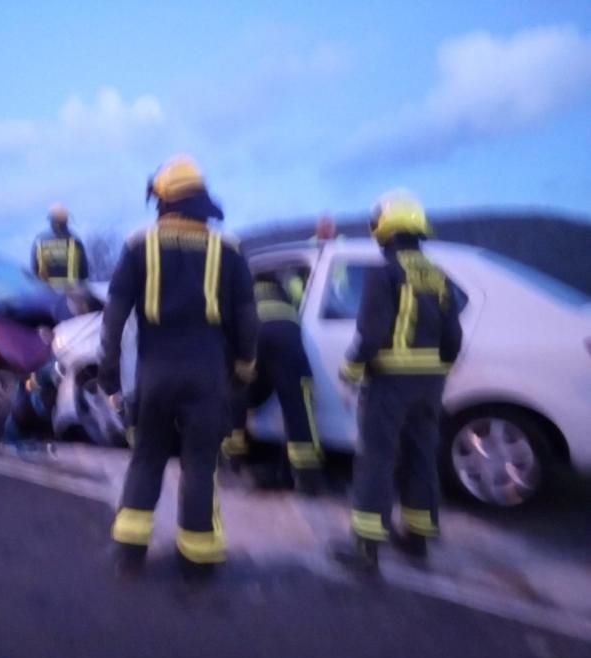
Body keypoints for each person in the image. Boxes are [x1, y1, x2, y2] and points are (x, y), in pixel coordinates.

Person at [98, 155, 258, 581]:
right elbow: (247, 319)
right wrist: (243, 368)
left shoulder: (139, 246)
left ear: (165, 200)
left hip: (155, 374)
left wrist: (108, 374)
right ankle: (197, 564)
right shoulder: (229, 250)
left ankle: (129, 553)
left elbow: (113, 319)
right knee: (201, 466)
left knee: (147, 459)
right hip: (208, 375)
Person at [331, 190, 463, 574]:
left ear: (384, 228)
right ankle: (417, 537)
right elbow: (453, 338)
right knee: (421, 454)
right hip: (430, 385)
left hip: (390, 382)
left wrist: (350, 369)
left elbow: (371, 334)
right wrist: (437, 371)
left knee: (378, 456)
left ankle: (366, 546)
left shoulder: (383, 272)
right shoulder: (439, 277)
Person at [224, 270, 324, 494]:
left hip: (254, 335)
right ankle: (307, 478)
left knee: (236, 390)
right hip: (287, 338)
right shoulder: (286, 295)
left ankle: (233, 462)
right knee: (298, 404)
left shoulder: (245, 293)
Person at [31, 204, 89, 286]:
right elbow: (84, 272)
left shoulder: (39, 240)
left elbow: (34, 270)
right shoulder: (75, 240)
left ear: (51, 220)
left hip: (46, 290)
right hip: (72, 291)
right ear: (67, 220)